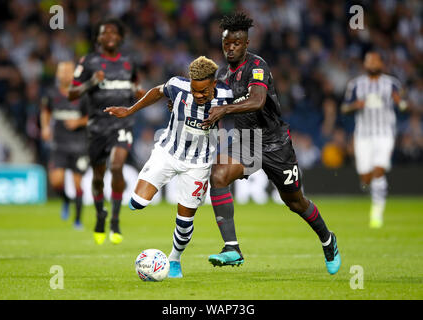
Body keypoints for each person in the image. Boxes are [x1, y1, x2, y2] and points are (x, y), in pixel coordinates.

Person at [202, 13, 341, 275]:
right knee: (219, 175)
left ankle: (327, 239)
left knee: (295, 202)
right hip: (246, 141)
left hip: (275, 143)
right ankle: (232, 248)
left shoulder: (257, 66)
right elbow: (213, 103)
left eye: (236, 43)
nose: (230, 48)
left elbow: (257, 100)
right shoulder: (221, 73)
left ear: (246, 43)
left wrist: (224, 111)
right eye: (226, 43)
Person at [104, 56, 234, 278]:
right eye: (195, 90)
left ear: (214, 83)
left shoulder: (227, 96)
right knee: (138, 203)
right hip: (167, 152)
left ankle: (174, 259)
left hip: (199, 163)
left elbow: (249, 106)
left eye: (204, 91)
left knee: (185, 220)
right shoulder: (177, 86)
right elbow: (156, 91)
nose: (199, 95)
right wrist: (129, 110)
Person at [68, 18, 145, 245]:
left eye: (114, 33)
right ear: (98, 38)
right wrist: (91, 82)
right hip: (97, 127)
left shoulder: (129, 62)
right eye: (105, 33)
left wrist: (142, 94)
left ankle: (115, 220)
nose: (110, 36)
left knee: (117, 166)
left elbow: (138, 88)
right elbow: (72, 94)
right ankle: (100, 214)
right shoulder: (88, 62)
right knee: (98, 177)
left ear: (120, 37)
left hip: (122, 124)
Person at [341, 51, 408, 228]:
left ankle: (377, 212)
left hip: (384, 133)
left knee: (379, 170)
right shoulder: (356, 84)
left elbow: (404, 105)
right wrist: (356, 105)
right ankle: (374, 192)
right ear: (364, 65)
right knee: (366, 178)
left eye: (374, 61)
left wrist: (399, 101)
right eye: (368, 61)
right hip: (363, 135)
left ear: (381, 64)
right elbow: (345, 108)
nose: (371, 64)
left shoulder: (391, 83)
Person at [40, 61, 88, 229]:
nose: (65, 74)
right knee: (55, 181)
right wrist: (45, 127)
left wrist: (79, 121)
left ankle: (78, 220)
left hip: (79, 145)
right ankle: (66, 200)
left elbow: (93, 117)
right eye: (62, 71)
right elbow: (45, 111)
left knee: (77, 184)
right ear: (57, 74)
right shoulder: (52, 94)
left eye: (68, 71)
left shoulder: (82, 94)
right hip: (59, 145)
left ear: (73, 74)